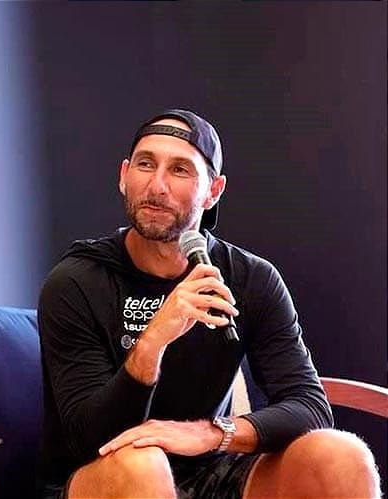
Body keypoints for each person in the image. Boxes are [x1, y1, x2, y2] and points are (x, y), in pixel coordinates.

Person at [36, 109, 380, 499]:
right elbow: (89, 440)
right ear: (123, 175)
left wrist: (212, 433)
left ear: (213, 191)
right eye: (146, 164)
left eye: (180, 170)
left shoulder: (249, 278)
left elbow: (310, 406)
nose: (157, 185)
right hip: (104, 474)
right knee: (142, 463)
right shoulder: (77, 281)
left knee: (341, 456)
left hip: (210, 469)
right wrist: (153, 342)